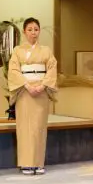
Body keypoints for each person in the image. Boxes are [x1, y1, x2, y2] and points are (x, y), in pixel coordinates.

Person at [7, 17, 58, 175]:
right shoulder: (17, 50)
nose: (33, 32)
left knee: (39, 127)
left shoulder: (46, 50)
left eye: (36, 29)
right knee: (25, 128)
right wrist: (27, 85)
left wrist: (43, 85)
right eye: (30, 29)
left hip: (41, 90)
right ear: (24, 32)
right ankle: (26, 163)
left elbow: (52, 69)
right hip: (24, 91)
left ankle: (38, 163)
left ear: (39, 31)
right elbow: (14, 71)